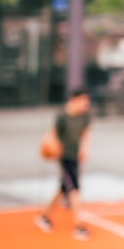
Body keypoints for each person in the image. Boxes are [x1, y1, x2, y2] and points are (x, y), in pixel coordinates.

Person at [36, 88, 92, 240]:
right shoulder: (62, 116)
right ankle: (79, 226)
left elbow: (86, 132)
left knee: (63, 189)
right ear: (74, 100)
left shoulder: (85, 115)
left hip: (75, 156)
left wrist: (83, 148)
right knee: (74, 189)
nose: (86, 103)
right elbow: (52, 133)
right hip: (64, 157)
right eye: (83, 100)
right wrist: (50, 146)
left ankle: (44, 216)